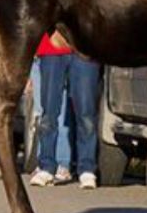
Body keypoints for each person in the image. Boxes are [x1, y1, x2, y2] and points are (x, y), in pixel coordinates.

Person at [29, 31, 101, 189]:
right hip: (52, 48)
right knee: (49, 111)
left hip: (85, 49)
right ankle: (46, 166)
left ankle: (87, 168)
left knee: (86, 113)